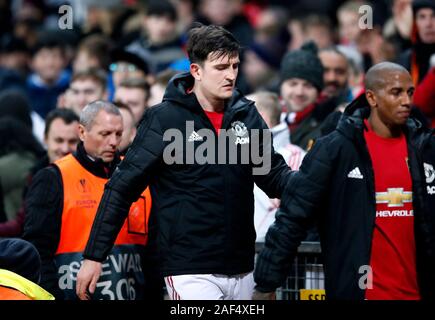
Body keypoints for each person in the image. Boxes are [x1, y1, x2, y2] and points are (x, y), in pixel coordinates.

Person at [76, 24, 292, 300]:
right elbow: (121, 188)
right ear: (196, 71)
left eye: (235, 66)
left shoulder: (247, 117)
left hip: (242, 267)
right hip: (189, 268)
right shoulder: (164, 120)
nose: (231, 75)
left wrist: (317, 180)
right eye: (221, 67)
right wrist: (94, 256)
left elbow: (274, 177)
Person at [253, 62, 435, 300]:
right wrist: (267, 284)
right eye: (396, 92)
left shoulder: (426, 149)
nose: (406, 101)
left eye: (410, 92)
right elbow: (292, 217)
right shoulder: (336, 150)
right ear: (371, 97)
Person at [23, 101, 152, 300]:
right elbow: (38, 250)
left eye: (118, 134)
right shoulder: (54, 177)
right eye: (105, 134)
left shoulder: (138, 175)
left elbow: (154, 249)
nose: (113, 142)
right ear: (82, 133)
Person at [0, 108, 79, 237]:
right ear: (45, 139)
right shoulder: (36, 174)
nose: (65, 148)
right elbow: (21, 224)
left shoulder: (93, 174)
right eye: (59, 140)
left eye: (72, 141)